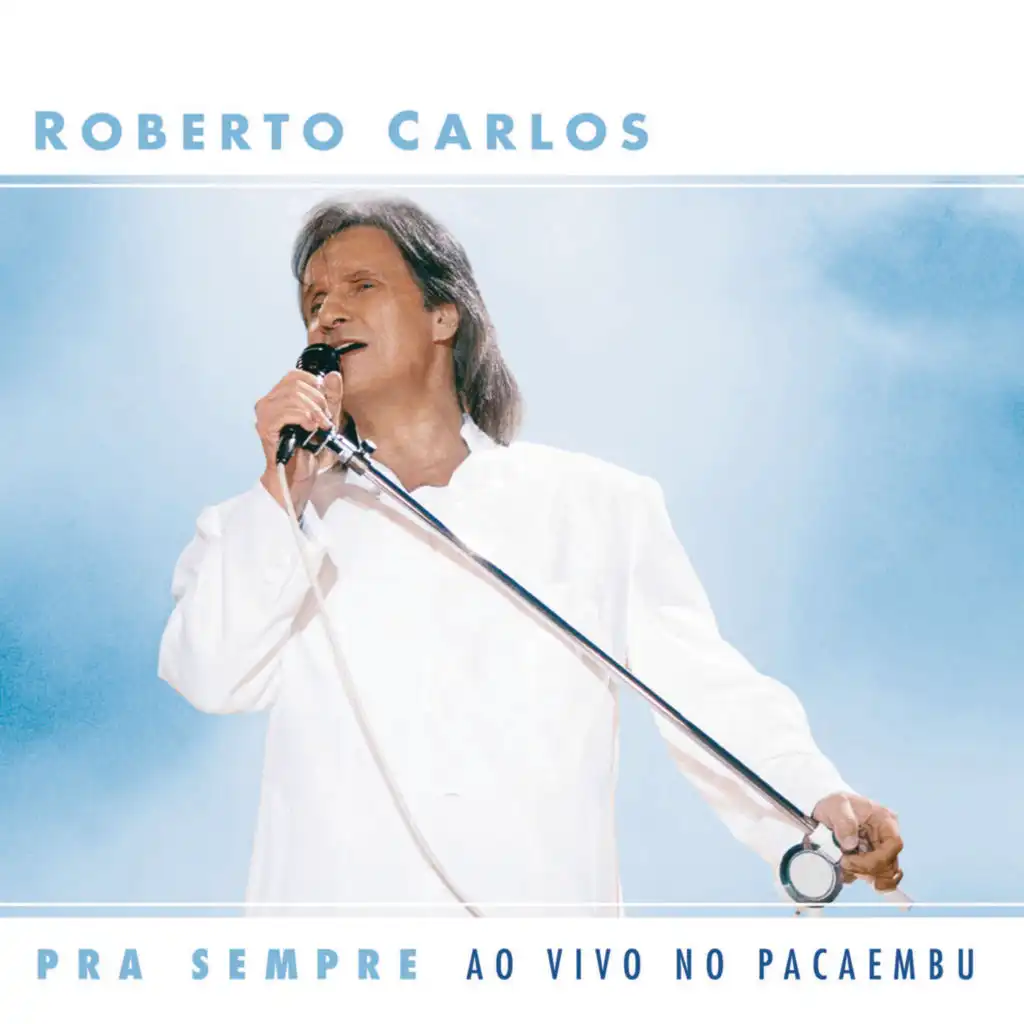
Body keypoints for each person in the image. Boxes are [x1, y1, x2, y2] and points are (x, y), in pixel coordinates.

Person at [158, 196, 904, 916]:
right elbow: (210, 675)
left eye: (363, 285)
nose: (329, 313)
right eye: (314, 300)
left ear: (443, 314)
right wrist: (283, 488)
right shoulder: (266, 523)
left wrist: (815, 798)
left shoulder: (597, 504)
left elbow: (706, 687)